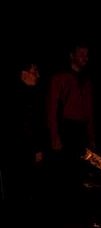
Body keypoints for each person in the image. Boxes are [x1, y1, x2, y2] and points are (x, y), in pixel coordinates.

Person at [1, 59, 47, 205]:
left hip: (21, 150)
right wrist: (36, 148)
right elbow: (27, 126)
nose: (38, 75)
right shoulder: (22, 97)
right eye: (34, 72)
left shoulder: (30, 94)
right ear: (23, 73)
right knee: (24, 188)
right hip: (22, 151)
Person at [47, 43, 94, 158]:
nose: (85, 57)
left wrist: (91, 135)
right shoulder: (60, 78)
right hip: (67, 129)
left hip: (82, 130)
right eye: (81, 54)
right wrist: (54, 136)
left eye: (86, 54)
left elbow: (90, 110)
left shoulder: (87, 80)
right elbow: (52, 109)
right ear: (72, 56)